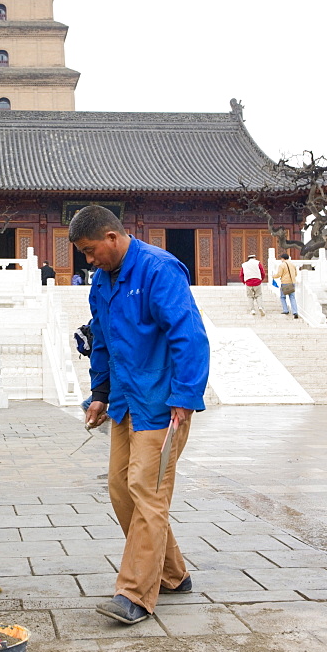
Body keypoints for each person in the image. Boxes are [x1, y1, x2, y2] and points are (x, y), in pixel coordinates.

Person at [68, 205, 210, 625]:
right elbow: (103, 342)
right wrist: (99, 394)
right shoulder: (102, 282)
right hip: (125, 402)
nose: (89, 260)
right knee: (120, 488)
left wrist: (185, 396)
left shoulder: (159, 270)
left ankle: (134, 593)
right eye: (83, 254)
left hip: (163, 404)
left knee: (147, 490)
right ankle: (171, 573)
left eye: (92, 251)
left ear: (113, 237)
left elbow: (189, 335)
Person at [275, 252, 299, 318]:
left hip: (285, 282)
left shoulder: (282, 265)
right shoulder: (293, 265)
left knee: (283, 297)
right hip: (292, 282)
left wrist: (273, 276)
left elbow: (279, 274)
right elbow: (296, 274)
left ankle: (285, 310)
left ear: (283, 258)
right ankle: (295, 312)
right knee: (292, 297)